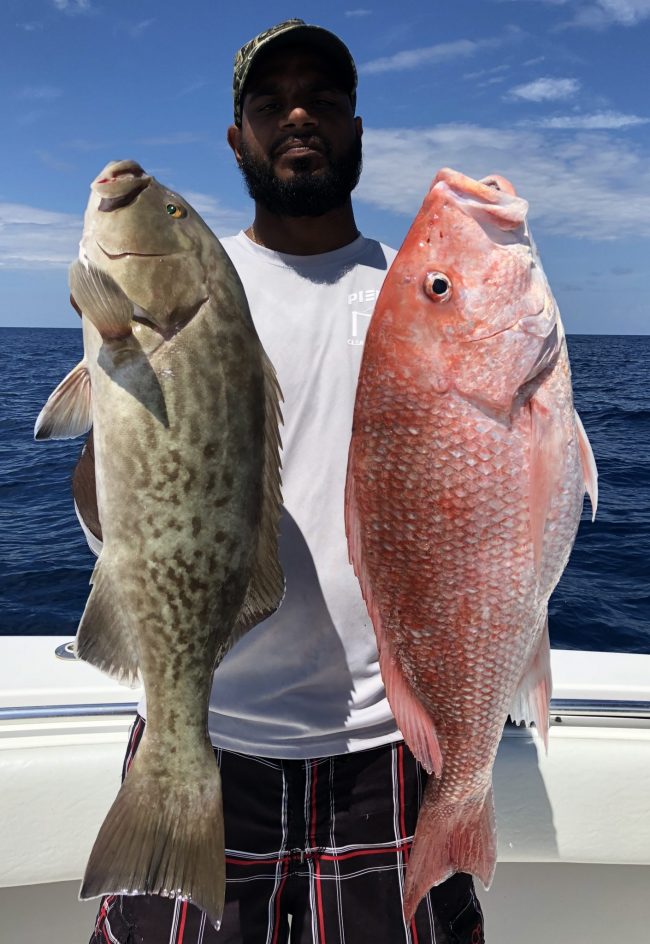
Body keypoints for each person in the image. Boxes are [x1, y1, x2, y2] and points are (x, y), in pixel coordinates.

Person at [87, 19, 485, 944]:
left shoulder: (419, 293)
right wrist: (116, 389)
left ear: (356, 127)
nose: (298, 115)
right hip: (208, 732)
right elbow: (109, 514)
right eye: (270, 103)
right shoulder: (207, 282)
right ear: (239, 138)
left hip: (391, 747)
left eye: (324, 100)